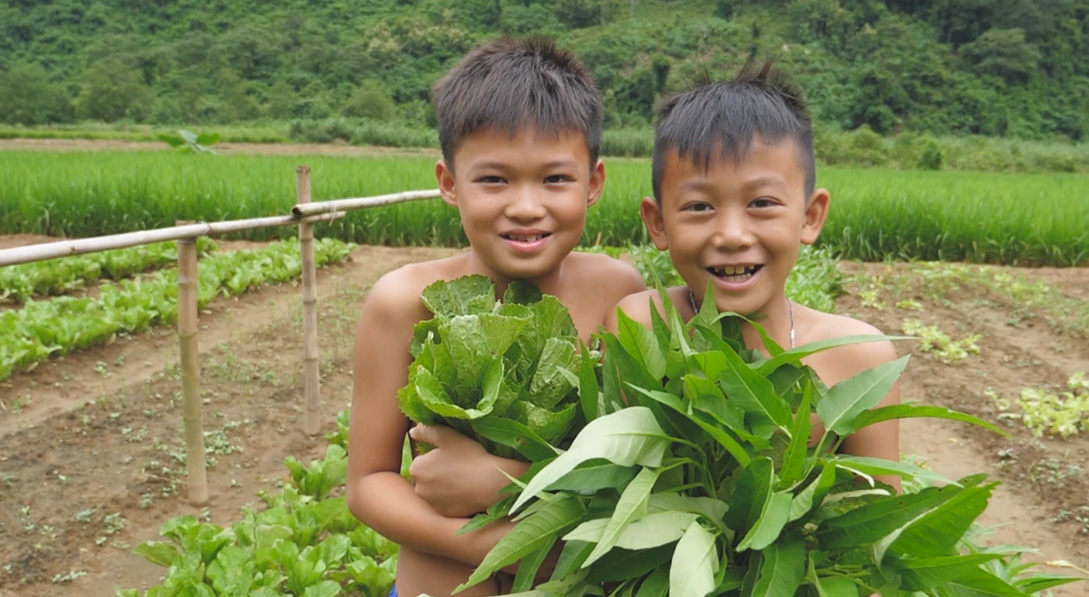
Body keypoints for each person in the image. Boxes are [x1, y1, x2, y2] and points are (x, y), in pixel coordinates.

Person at [345, 36, 646, 597]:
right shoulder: (401, 302)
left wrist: (504, 482)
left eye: (555, 179)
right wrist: (502, 547)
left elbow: (633, 468)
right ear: (449, 183)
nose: (526, 206)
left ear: (593, 184)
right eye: (494, 179)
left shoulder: (620, 293)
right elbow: (368, 483)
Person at [606, 61, 901, 489]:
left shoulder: (858, 359)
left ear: (810, 216)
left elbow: (880, 513)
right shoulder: (641, 327)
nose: (732, 235)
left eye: (762, 203)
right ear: (658, 224)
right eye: (699, 207)